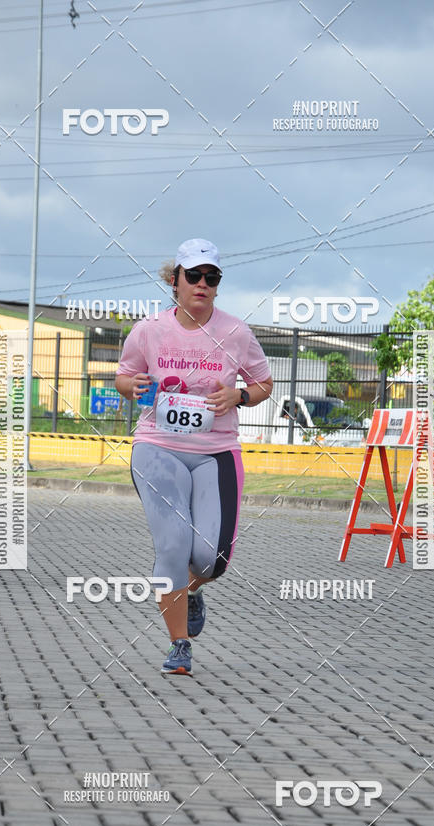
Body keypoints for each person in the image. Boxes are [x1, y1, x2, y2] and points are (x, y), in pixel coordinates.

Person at [115, 238, 272, 676]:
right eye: (194, 276)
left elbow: (262, 384)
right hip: (157, 447)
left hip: (215, 453)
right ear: (175, 281)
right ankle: (179, 644)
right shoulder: (148, 329)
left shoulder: (236, 332)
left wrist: (238, 394)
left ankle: (192, 589)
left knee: (210, 559)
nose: (203, 284)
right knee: (171, 547)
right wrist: (136, 386)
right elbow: (124, 378)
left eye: (212, 277)